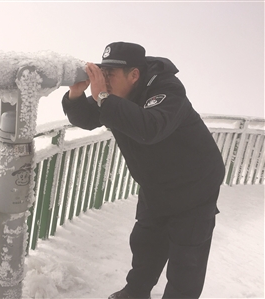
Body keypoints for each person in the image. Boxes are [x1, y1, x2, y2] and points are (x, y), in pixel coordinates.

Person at [61, 42, 225, 299]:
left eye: (110, 75)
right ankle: (135, 292)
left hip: (195, 188)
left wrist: (103, 97)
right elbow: (88, 118)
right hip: (157, 185)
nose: (105, 82)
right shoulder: (117, 94)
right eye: (102, 74)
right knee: (146, 242)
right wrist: (76, 94)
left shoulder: (167, 90)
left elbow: (150, 128)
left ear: (134, 74)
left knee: (186, 261)